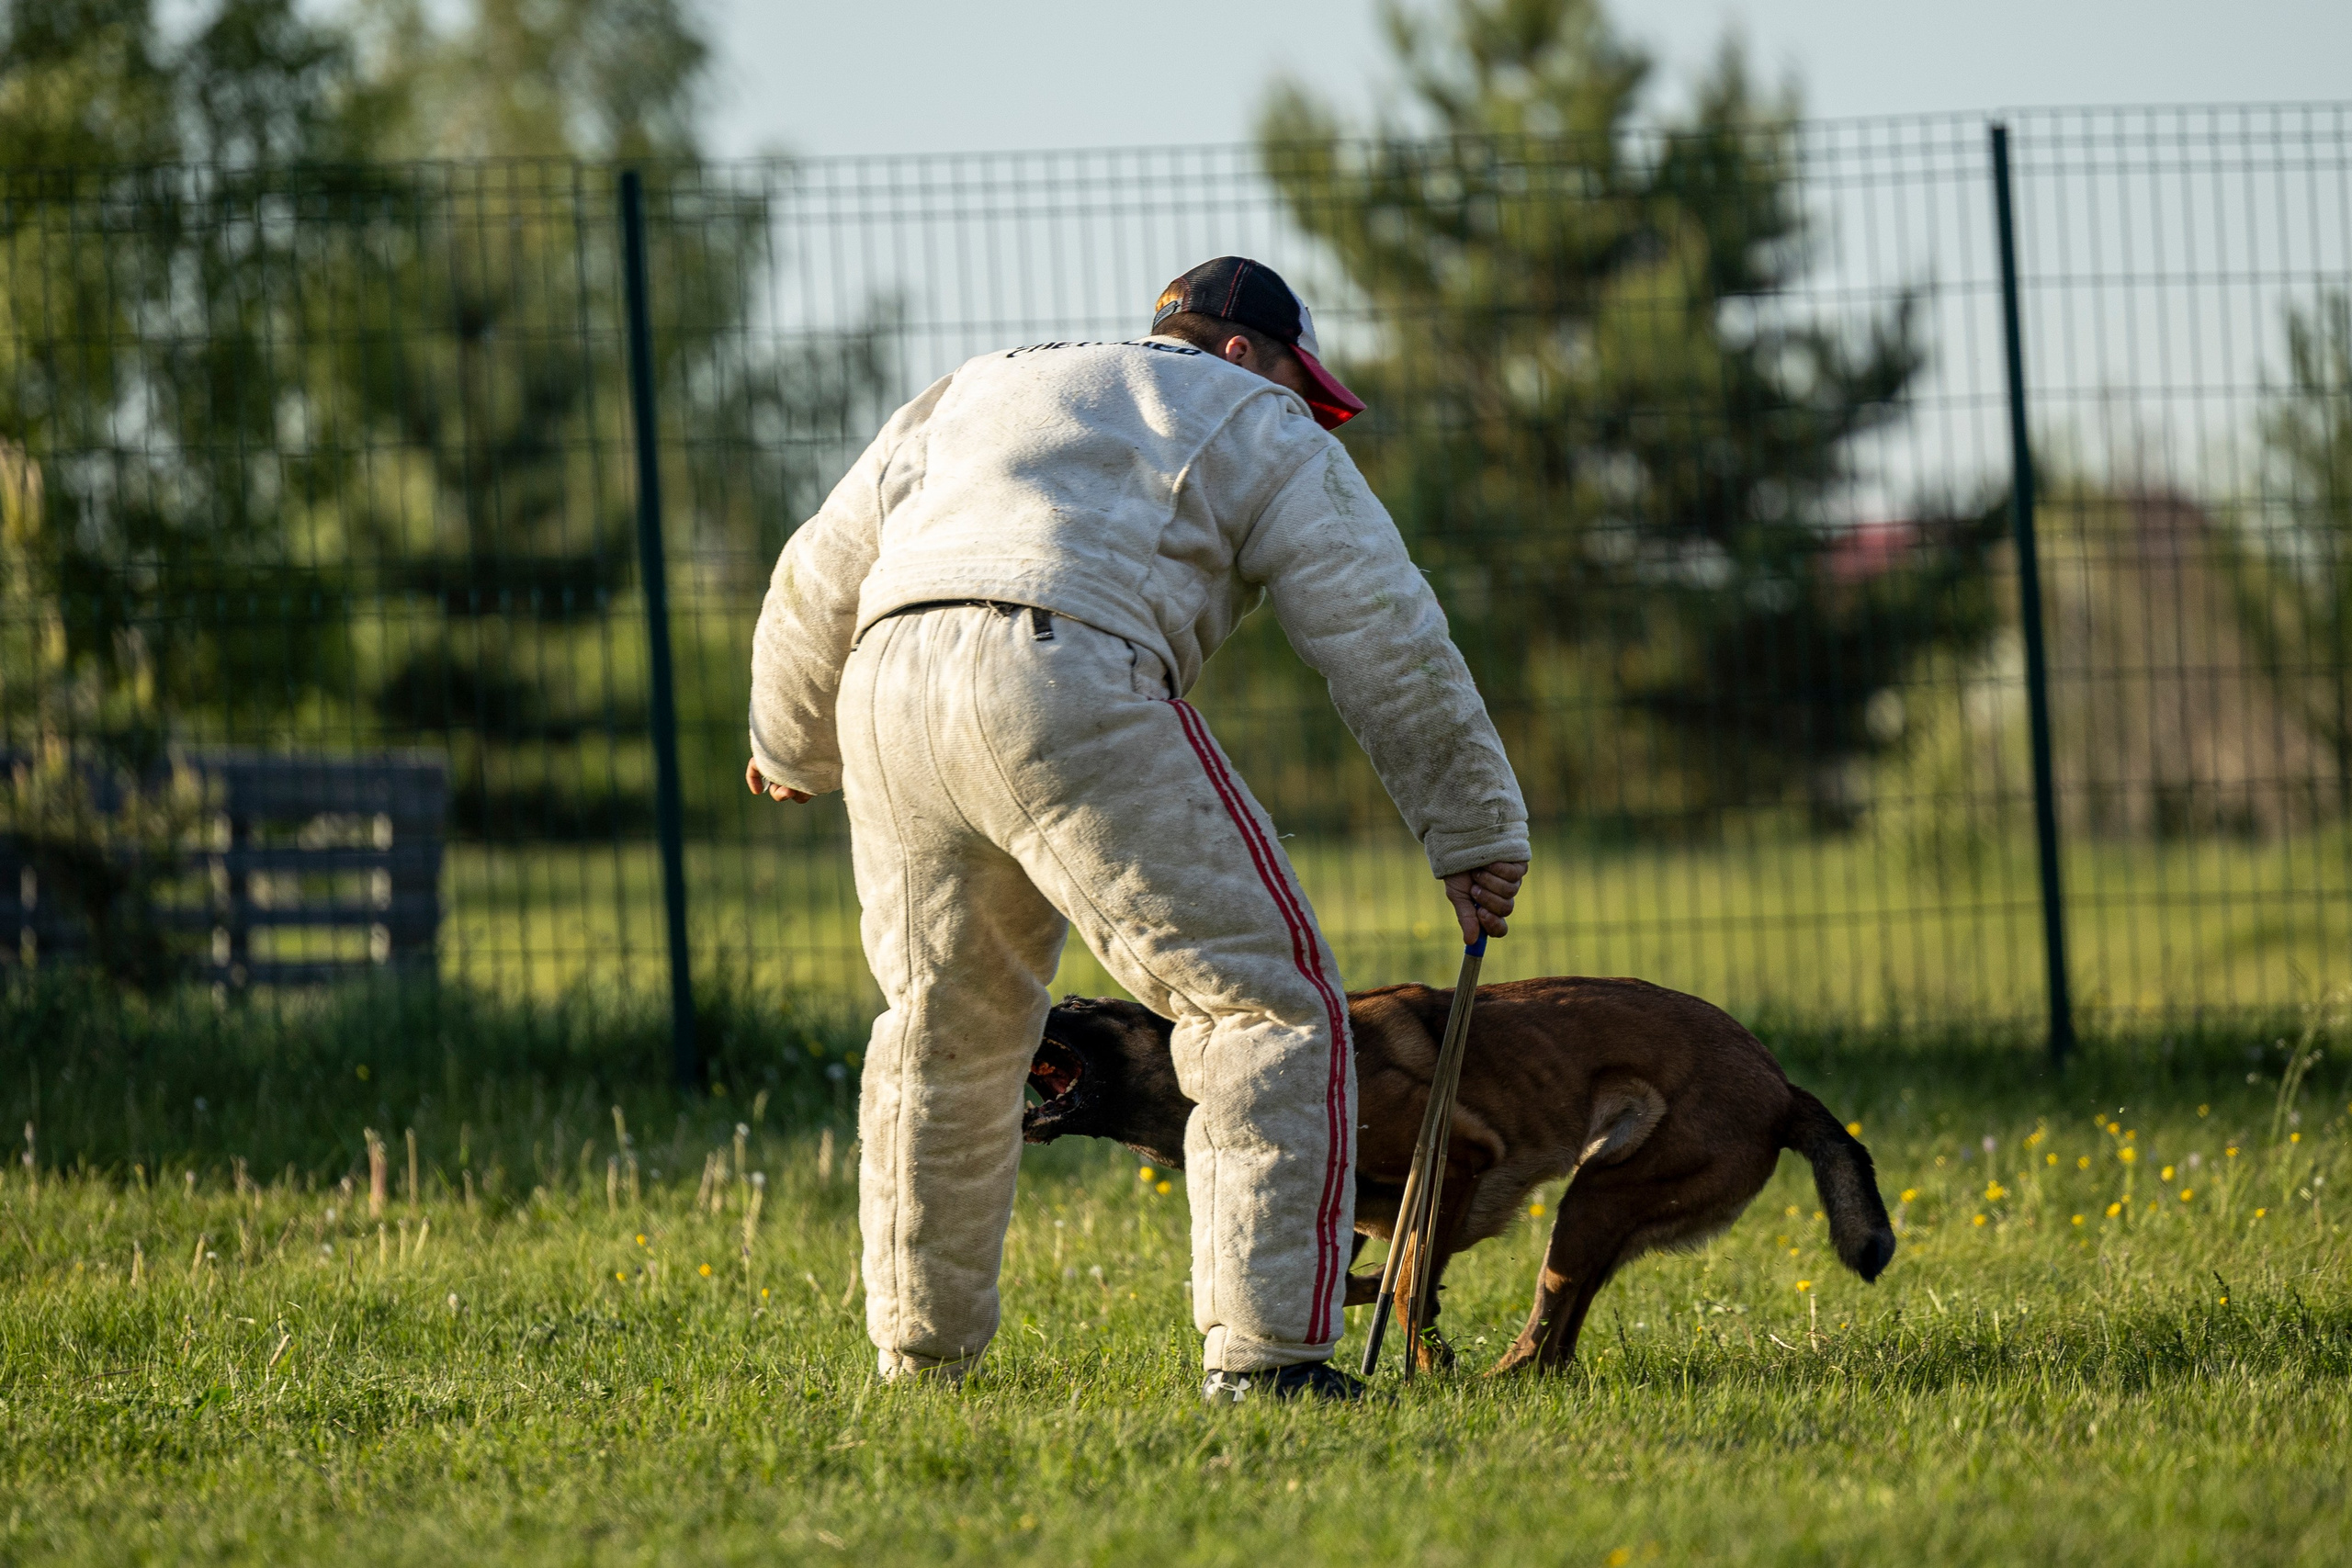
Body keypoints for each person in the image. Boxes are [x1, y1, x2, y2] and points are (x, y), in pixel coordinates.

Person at [745, 256, 1529, 1403]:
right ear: (1239, 353)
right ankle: (1266, 1362)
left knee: (941, 1031)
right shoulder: (1255, 415)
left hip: (886, 681)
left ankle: (919, 1356)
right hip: (1062, 671)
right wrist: (1473, 828)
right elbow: (1380, 625)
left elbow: (817, 565)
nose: (1307, 413)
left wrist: (788, 743)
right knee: (1260, 1004)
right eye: (1297, 385)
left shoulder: (972, 386)